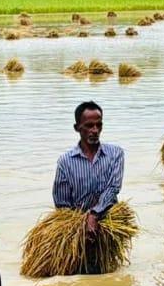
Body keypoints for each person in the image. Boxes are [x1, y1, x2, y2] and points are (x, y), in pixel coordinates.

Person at [52, 101, 125, 266]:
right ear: (77, 128)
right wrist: (79, 225)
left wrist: (94, 215)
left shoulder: (115, 154)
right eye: (89, 126)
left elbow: (113, 189)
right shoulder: (65, 162)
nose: (95, 130)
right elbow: (62, 205)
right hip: (78, 231)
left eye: (99, 125)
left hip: (108, 225)